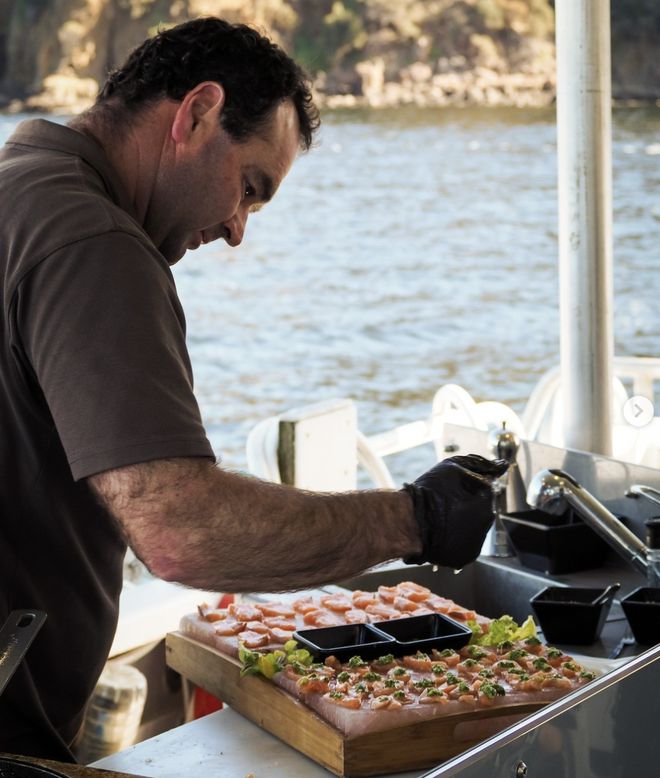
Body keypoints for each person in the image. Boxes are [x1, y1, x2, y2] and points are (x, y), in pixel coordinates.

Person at [0, 17, 506, 761]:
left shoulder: (20, 180)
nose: (238, 230)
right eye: (248, 187)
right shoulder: (95, 243)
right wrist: (415, 519)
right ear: (197, 112)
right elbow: (178, 528)